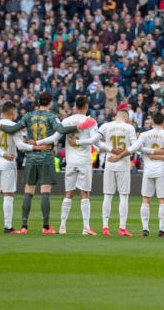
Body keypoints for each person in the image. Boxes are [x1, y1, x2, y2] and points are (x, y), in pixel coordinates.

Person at [0, 92, 92, 234]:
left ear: (38, 101)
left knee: (28, 191)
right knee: (45, 192)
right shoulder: (51, 117)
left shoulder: (28, 116)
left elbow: (13, 129)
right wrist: (80, 126)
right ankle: (45, 227)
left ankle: (24, 226)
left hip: (31, 157)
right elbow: (61, 130)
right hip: (45, 157)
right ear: (49, 102)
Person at [34, 96, 100, 235]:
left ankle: (63, 227)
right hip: (84, 160)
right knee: (84, 193)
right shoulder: (91, 121)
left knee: (68, 193)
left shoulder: (67, 120)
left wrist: (38, 142)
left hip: (71, 161)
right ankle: (86, 228)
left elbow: (54, 138)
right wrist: (79, 142)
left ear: (75, 106)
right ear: (86, 107)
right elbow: (94, 140)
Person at [0, 101, 50, 233]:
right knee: (8, 194)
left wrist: (1, 153)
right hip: (8, 163)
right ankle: (8, 226)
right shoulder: (15, 126)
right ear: (12, 112)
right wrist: (36, 147)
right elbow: (20, 146)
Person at [120, 112, 164, 238]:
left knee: (146, 199)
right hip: (161, 171)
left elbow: (135, 148)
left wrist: (119, 155)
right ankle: (162, 230)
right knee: (163, 200)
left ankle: (145, 229)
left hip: (148, 170)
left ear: (152, 122)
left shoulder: (145, 135)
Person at [93, 109, 138, 236]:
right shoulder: (129, 127)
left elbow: (95, 141)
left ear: (116, 116)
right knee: (123, 196)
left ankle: (105, 227)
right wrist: (120, 155)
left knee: (107, 195)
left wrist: (111, 150)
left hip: (109, 162)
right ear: (127, 118)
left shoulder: (106, 126)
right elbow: (135, 147)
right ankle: (122, 228)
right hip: (123, 164)